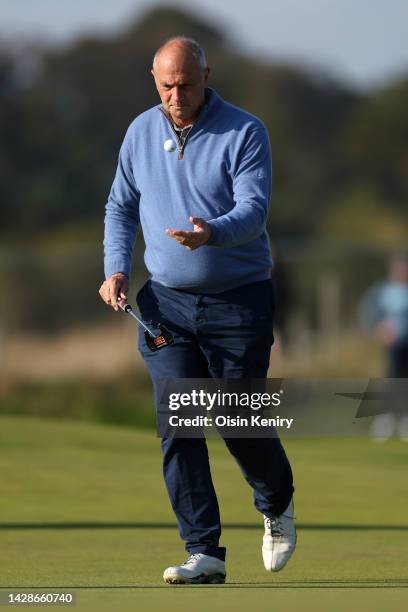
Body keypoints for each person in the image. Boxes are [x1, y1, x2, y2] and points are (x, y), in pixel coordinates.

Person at [99, 36, 296, 584]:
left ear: (206, 76)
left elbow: (254, 211)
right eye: (166, 86)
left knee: (237, 420)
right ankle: (203, 551)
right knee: (179, 420)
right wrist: (116, 267)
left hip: (239, 302)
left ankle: (276, 503)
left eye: (185, 84)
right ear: (154, 80)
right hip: (166, 306)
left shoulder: (245, 130)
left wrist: (212, 232)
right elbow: (120, 206)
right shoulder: (140, 132)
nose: (176, 96)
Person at [359, 253, 408, 440]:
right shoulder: (381, 290)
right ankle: (387, 417)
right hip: (390, 346)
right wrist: (377, 329)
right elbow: (368, 311)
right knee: (391, 378)